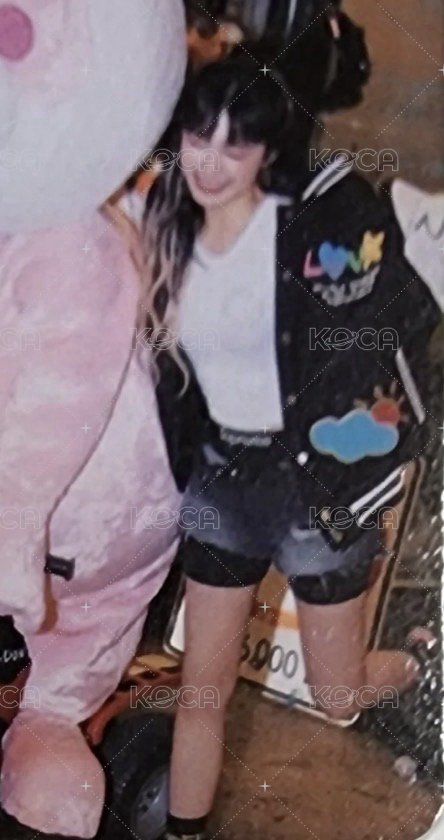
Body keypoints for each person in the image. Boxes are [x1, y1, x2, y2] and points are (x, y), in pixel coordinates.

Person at [131, 46, 438, 840]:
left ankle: (421, 659)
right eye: (199, 136)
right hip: (223, 482)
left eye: (236, 143)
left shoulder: (310, 230)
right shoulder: (162, 223)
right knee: (202, 690)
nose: (211, 161)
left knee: (337, 697)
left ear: (269, 151)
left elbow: (394, 307)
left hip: (317, 487)